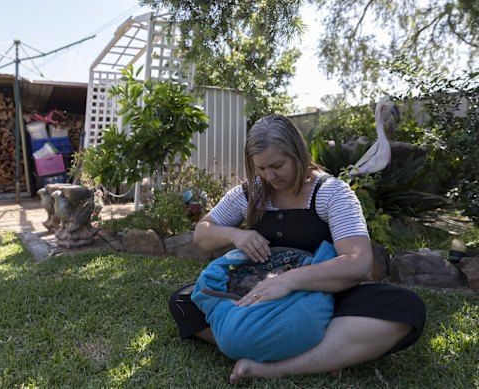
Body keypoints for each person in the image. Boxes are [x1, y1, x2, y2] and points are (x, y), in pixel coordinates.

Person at [168, 114, 426, 384]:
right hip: (256, 294)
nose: (270, 176)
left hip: (325, 295)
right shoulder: (250, 194)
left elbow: (358, 262)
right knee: (184, 303)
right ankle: (325, 352)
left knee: (406, 309)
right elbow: (202, 233)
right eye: (261, 168)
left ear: (297, 153)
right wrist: (235, 234)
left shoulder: (332, 193)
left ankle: (274, 367)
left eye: (277, 165)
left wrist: (288, 281)